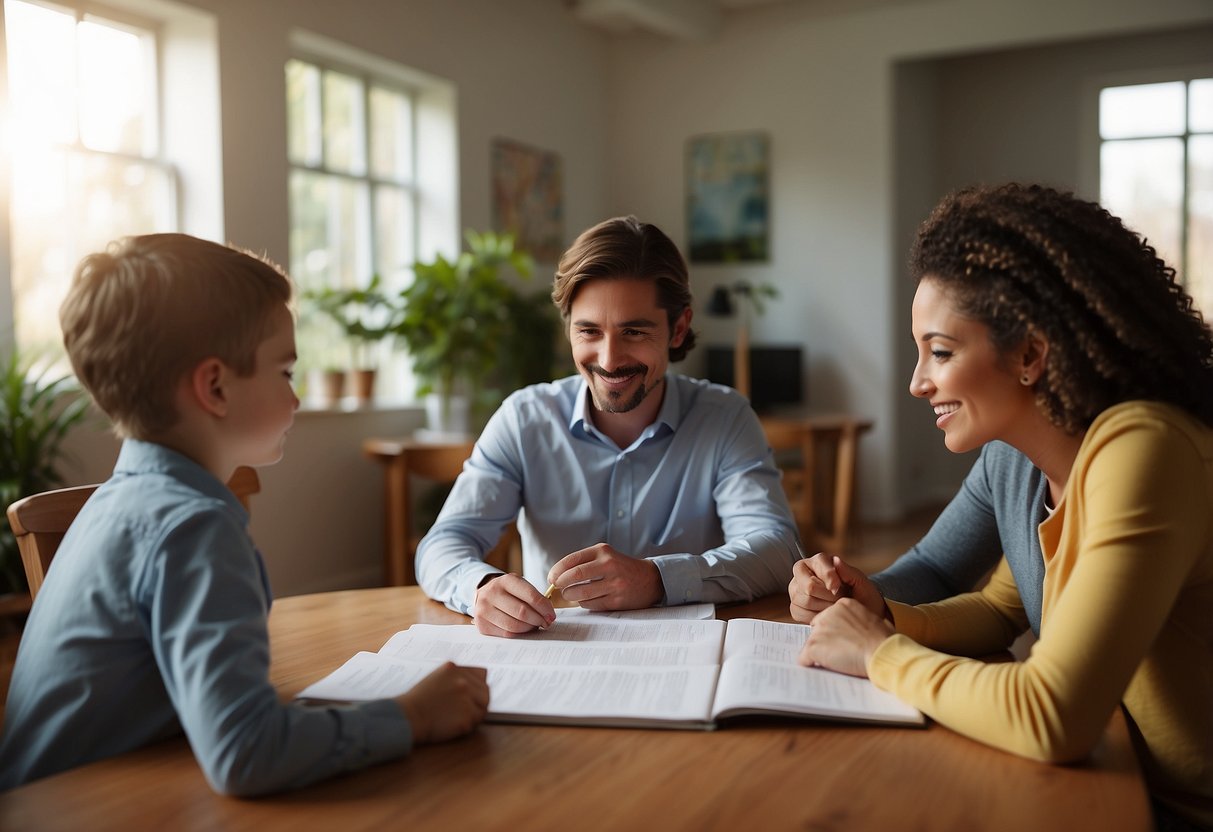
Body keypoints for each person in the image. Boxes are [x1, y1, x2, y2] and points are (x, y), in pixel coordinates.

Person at [788, 183, 1213, 830]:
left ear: (1029, 355)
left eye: (939, 351)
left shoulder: (1144, 449)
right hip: (1117, 782)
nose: (916, 381)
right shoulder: (1022, 457)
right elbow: (998, 609)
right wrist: (876, 609)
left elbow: (1053, 717)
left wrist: (879, 653)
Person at [0, 234, 489, 795]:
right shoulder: (191, 527)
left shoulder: (120, 501)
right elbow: (245, 750)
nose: (297, 397)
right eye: (284, 372)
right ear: (214, 387)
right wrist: (413, 716)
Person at [416, 216, 800, 637]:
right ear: (568, 329)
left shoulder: (725, 418)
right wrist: (481, 588)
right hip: (554, 655)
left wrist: (657, 580)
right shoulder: (524, 419)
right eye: (589, 331)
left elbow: (777, 550)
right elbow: (443, 544)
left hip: (692, 654)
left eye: (634, 331)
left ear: (679, 328)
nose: (609, 359)